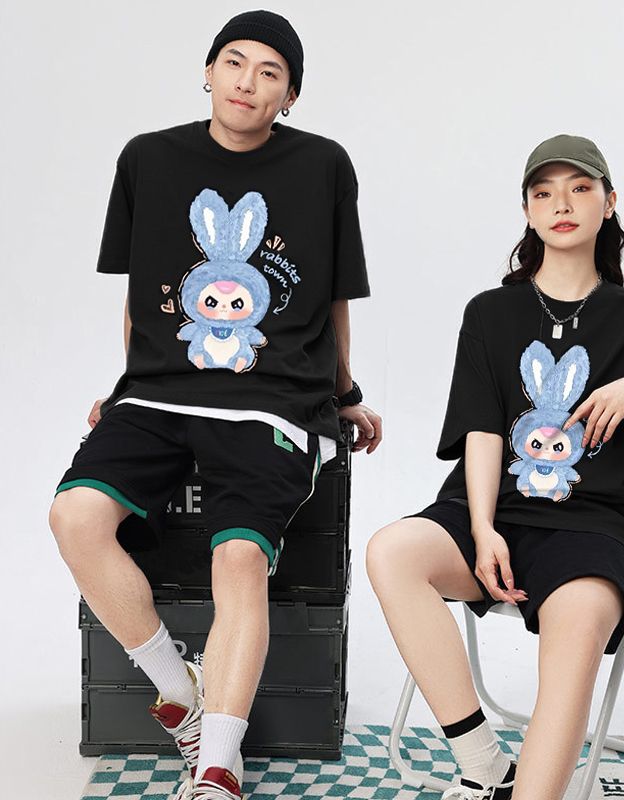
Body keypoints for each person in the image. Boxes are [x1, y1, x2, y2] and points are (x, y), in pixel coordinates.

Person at [49, 10, 382, 800]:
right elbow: (140, 293)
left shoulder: (324, 166)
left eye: (270, 72)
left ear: (289, 96)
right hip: (159, 393)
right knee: (74, 517)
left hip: (276, 403)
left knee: (238, 558)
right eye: (233, 62)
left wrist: (346, 395)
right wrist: (127, 383)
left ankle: (218, 766)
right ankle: (181, 698)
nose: (247, 82)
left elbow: (333, 297)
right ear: (207, 72)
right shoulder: (148, 159)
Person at [367, 134, 624, 800]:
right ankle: (484, 766)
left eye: (579, 188)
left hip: (594, 529)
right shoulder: (491, 312)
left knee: (575, 630)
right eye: (543, 193)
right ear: (528, 211)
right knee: (391, 551)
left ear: (609, 202)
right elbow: (483, 430)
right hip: (490, 512)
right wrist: (482, 529)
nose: (561, 204)